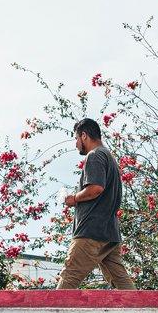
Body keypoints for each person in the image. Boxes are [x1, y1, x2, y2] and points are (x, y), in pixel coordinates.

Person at [56, 117, 135, 290]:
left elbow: (96, 188)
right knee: (121, 281)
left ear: (84, 136)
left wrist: (73, 198)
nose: (76, 144)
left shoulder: (95, 156)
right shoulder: (109, 157)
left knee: (69, 276)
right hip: (109, 232)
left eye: (76, 139)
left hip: (91, 231)